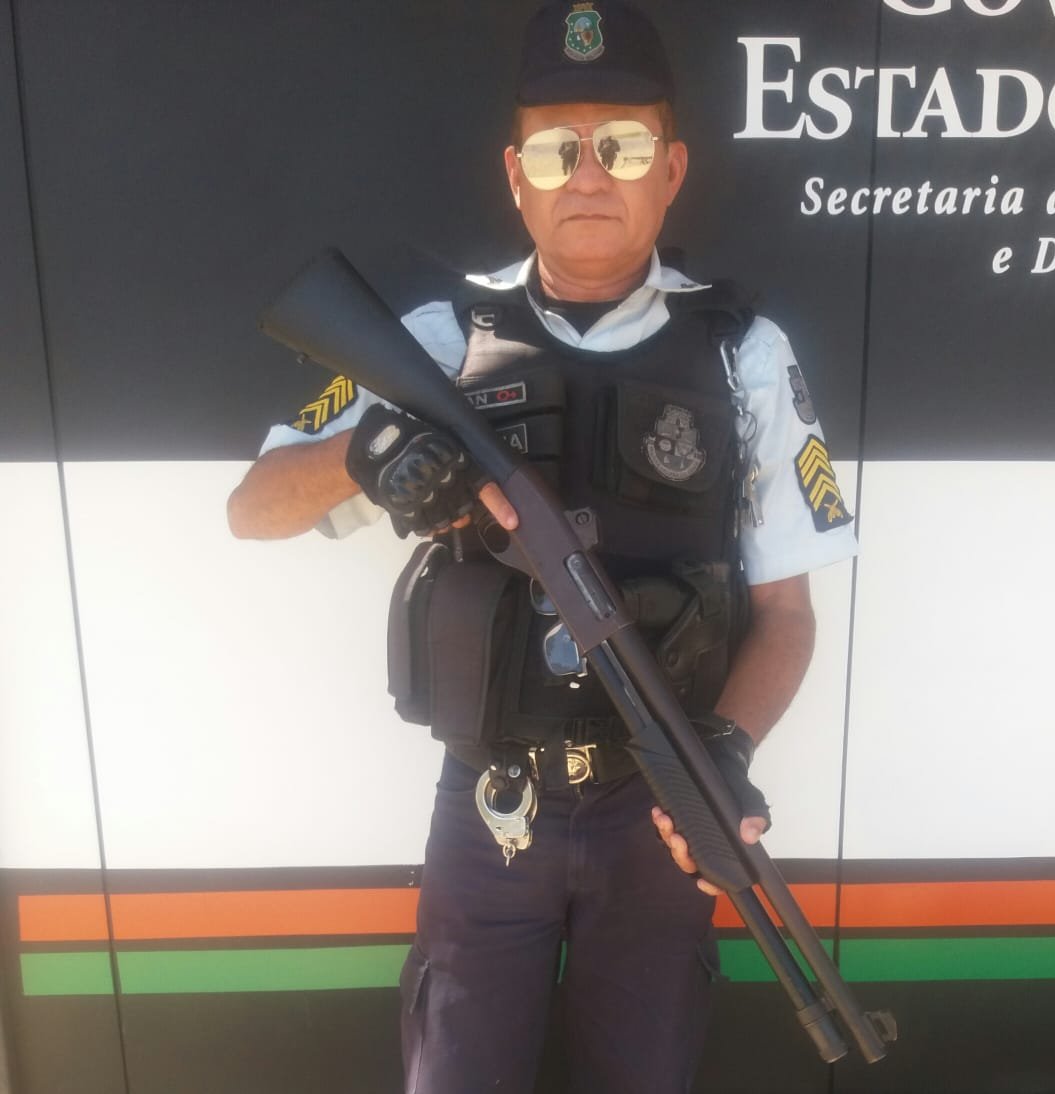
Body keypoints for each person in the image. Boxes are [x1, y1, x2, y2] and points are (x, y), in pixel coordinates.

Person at [228, 3, 857, 1091]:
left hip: (655, 811)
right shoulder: (435, 341)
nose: (590, 176)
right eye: (560, 150)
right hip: (490, 805)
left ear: (672, 169)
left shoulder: (744, 353)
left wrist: (723, 753)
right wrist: (370, 452)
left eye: (624, 147)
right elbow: (254, 508)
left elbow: (787, 614)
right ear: (517, 175)